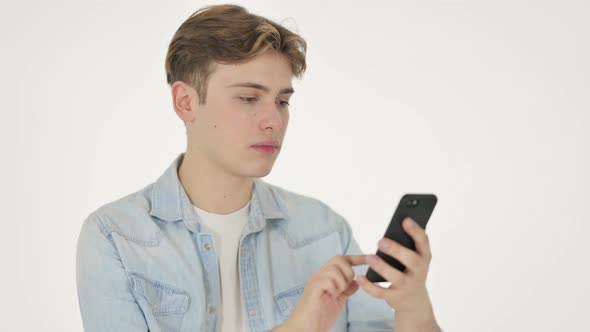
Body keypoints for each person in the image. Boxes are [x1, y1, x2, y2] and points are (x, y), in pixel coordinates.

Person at [76, 4, 443, 332]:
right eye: (249, 98)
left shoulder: (325, 232)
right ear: (186, 102)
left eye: (282, 101)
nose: (273, 121)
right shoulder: (116, 238)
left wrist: (413, 308)